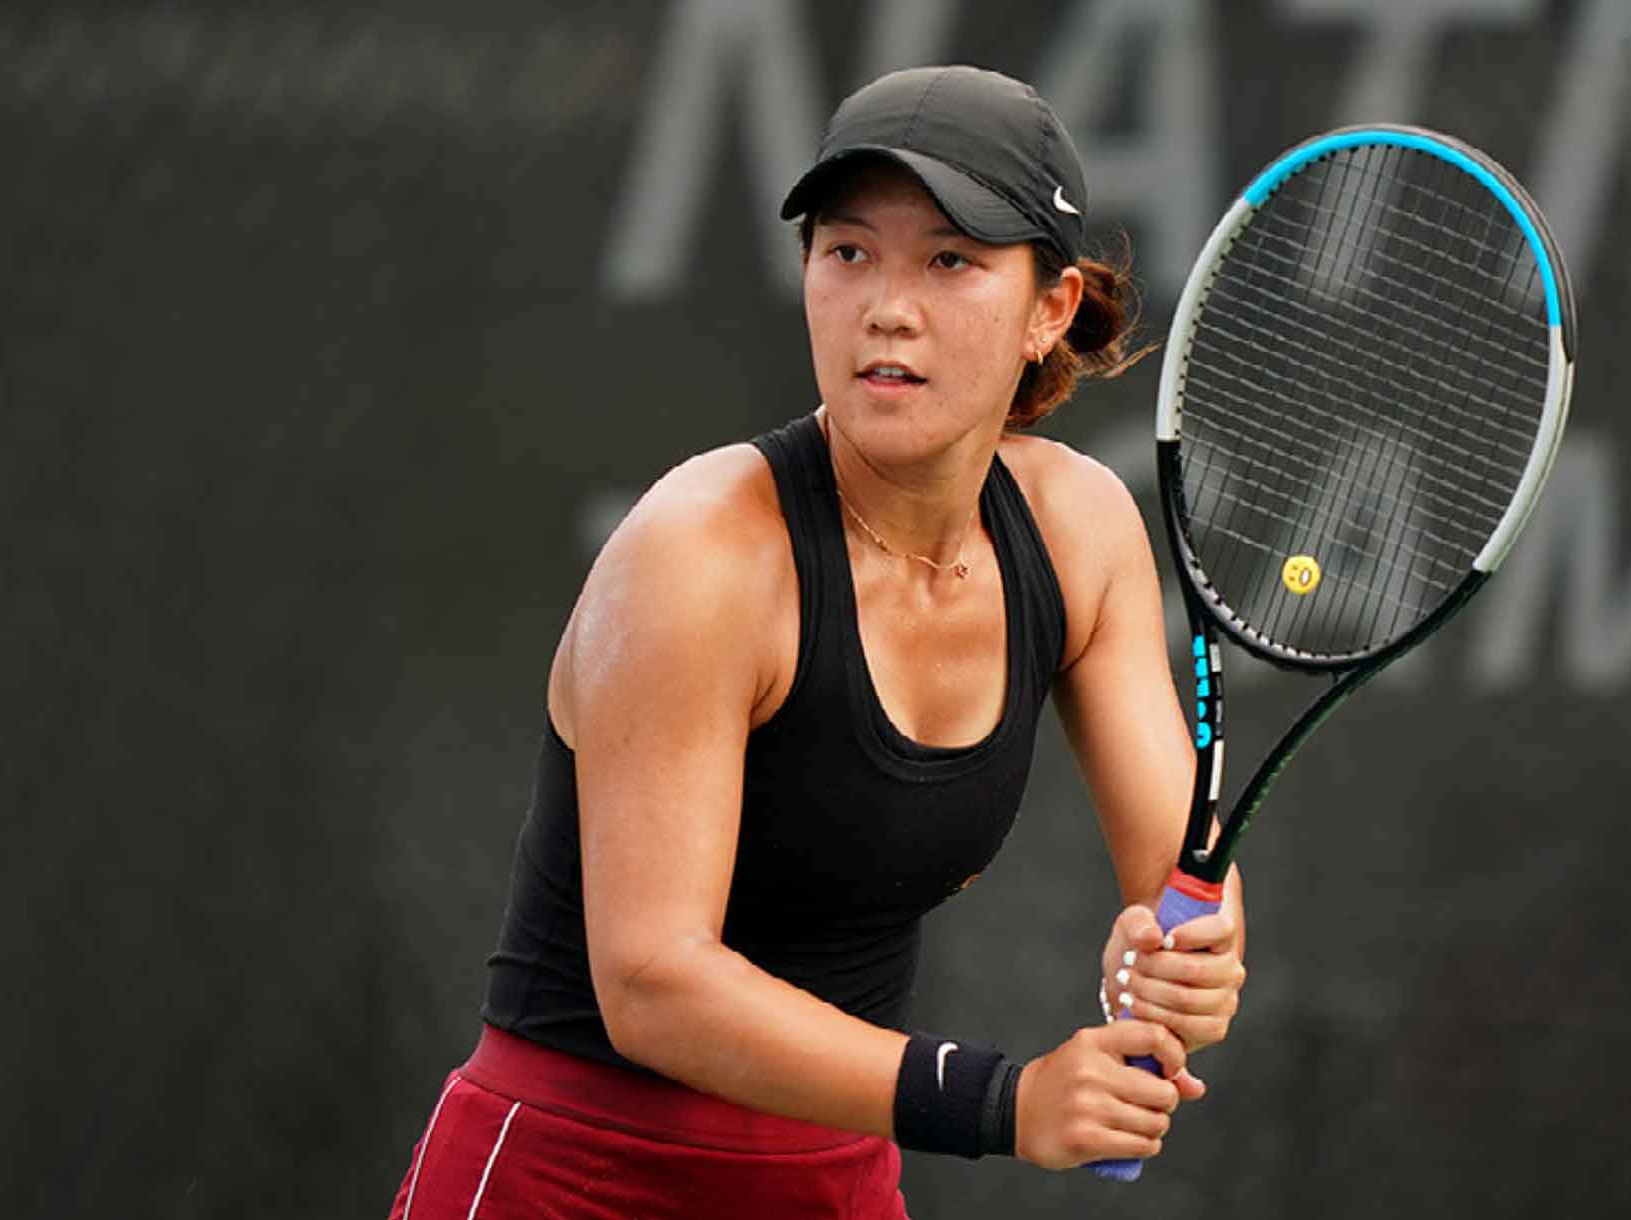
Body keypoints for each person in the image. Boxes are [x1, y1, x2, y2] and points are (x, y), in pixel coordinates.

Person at [387, 64, 1246, 1220]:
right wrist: (1002, 1100)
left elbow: (1180, 881)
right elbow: (652, 980)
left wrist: (1186, 962)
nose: (887, 305)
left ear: (1051, 306)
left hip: (827, 1177)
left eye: (950, 259)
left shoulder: (1079, 529)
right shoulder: (701, 551)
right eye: (848, 252)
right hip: (574, 1172)